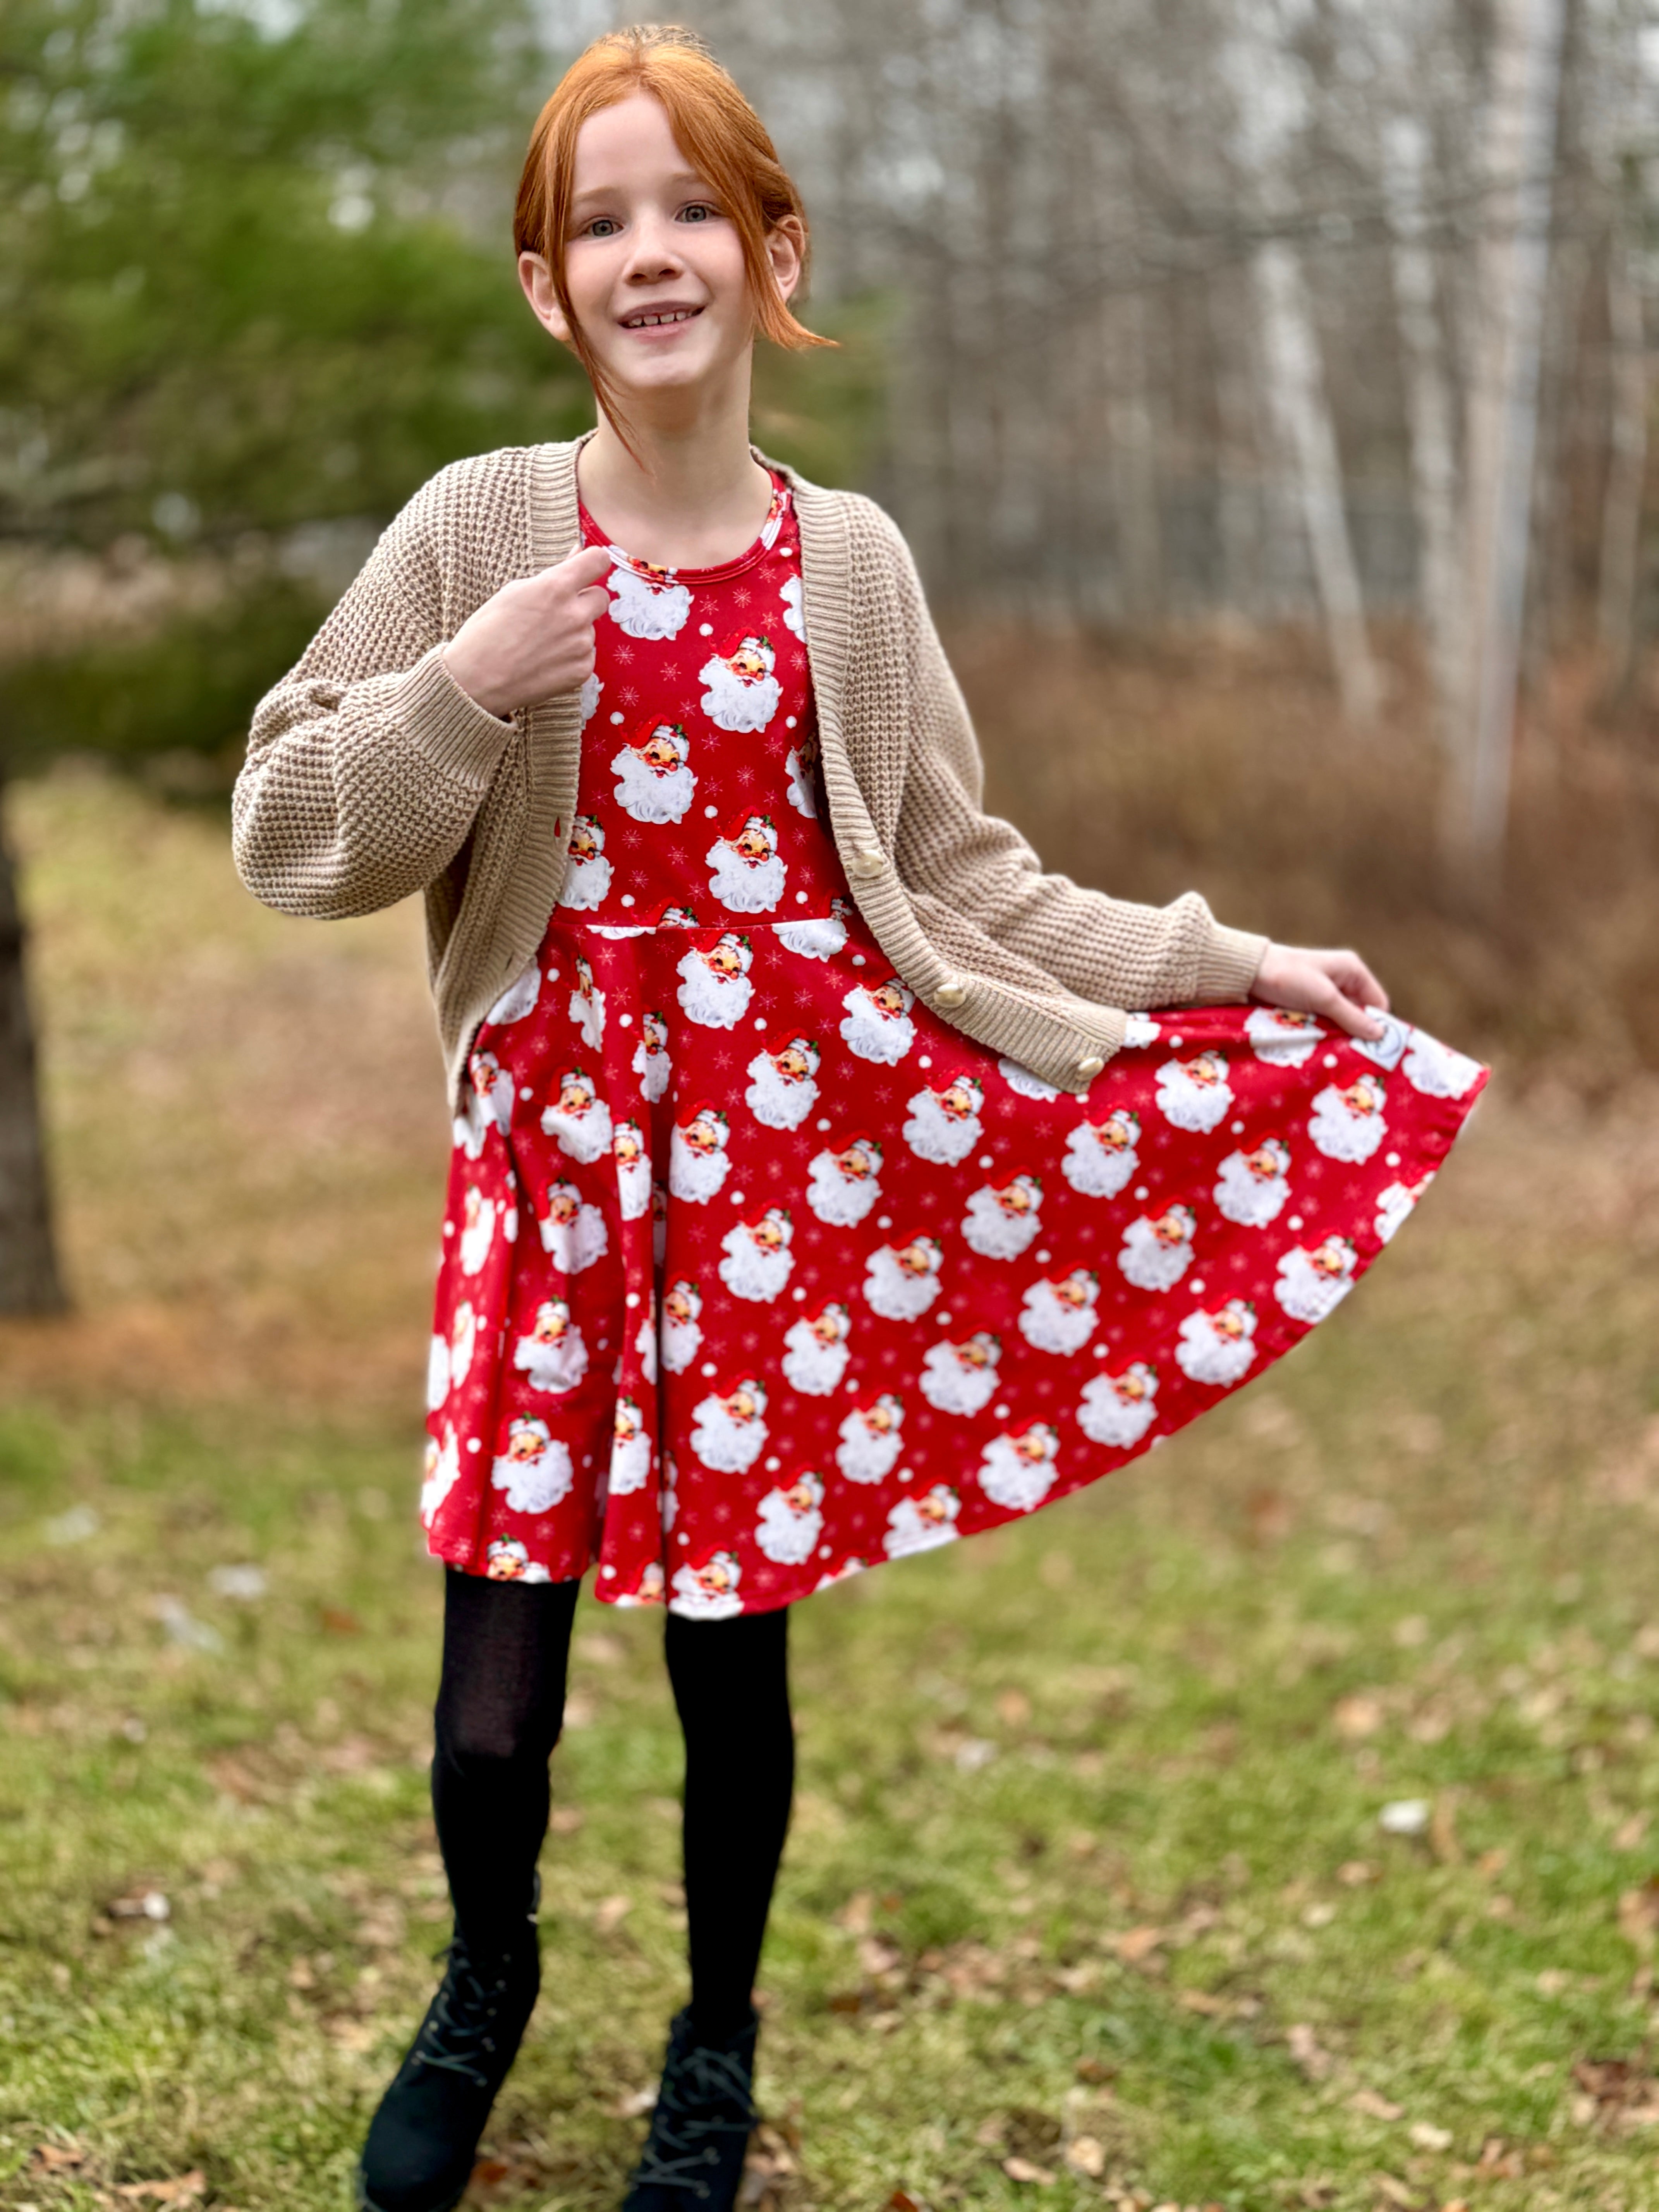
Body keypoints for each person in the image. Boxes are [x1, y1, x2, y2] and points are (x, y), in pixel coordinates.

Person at [230, 25, 1487, 2212]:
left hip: (780, 1190)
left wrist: (1227, 963)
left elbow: (969, 878)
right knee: (494, 1697)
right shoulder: (479, 533)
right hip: (553, 1176)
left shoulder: (851, 564)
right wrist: (463, 692)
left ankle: (712, 2042)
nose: (650, 252)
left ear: (773, 251)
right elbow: (283, 832)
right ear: (544, 283)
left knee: (731, 1670)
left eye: (691, 209)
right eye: (599, 221)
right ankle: (488, 1974)